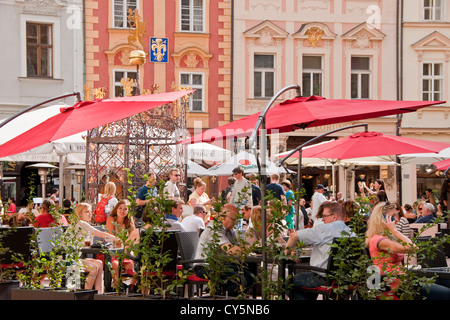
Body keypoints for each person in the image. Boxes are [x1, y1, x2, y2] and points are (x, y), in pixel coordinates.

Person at [366, 201, 450, 300]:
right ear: (383, 218)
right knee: (446, 293)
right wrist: (395, 231)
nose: (396, 219)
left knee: (445, 281)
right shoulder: (379, 240)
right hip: (395, 284)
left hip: (402, 279)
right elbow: (413, 248)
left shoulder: (385, 237)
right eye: (393, 216)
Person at [285, 201, 352, 300]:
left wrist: (287, 255)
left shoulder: (324, 229)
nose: (323, 219)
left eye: (324, 216)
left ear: (334, 217)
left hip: (324, 278)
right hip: (345, 279)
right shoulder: (351, 233)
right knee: (304, 286)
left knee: (287, 282)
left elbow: (293, 236)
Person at [193, 203, 255, 296]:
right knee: (237, 280)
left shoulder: (229, 230)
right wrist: (249, 248)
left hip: (221, 264)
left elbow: (237, 246)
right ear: (223, 217)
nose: (235, 223)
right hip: (204, 265)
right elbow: (231, 250)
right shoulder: (215, 228)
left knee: (250, 277)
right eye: (233, 219)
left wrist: (244, 248)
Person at [70, 202, 120, 294]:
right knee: (94, 267)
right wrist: (119, 240)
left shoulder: (83, 225)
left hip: (79, 256)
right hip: (70, 259)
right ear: (80, 214)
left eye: (90, 212)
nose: (90, 214)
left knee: (100, 263)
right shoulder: (81, 223)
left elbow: (86, 244)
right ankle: (87, 294)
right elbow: (101, 234)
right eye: (87, 212)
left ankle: (99, 294)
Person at [105, 199, 136, 289]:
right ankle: (117, 287)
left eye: (125, 209)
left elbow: (133, 238)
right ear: (116, 209)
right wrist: (125, 241)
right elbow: (110, 237)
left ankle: (130, 287)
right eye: (120, 208)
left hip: (125, 251)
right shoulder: (111, 219)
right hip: (113, 251)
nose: (122, 211)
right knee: (115, 265)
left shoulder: (129, 221)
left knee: (131, 266)